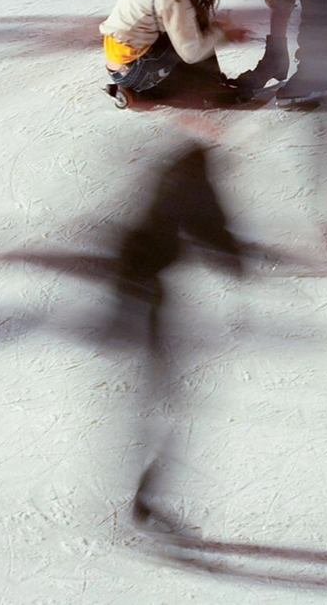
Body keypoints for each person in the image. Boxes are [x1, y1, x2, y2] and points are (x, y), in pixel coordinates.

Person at [96, 137, 244, 531]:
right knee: (168, 399)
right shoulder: (192, 181)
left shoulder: (172, 174)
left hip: (135, 295)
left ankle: (147, 488)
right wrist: (242, 261)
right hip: (144, 300)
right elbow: (213, 230)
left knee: (160, 397)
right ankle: (147, 492)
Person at [99, 0, 249, 106]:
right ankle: (211, 91)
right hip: (132, 69)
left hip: (121, 62)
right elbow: (191, 53)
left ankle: (147, 90)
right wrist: (222, 32)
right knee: (198, 32)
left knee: (193, 27)